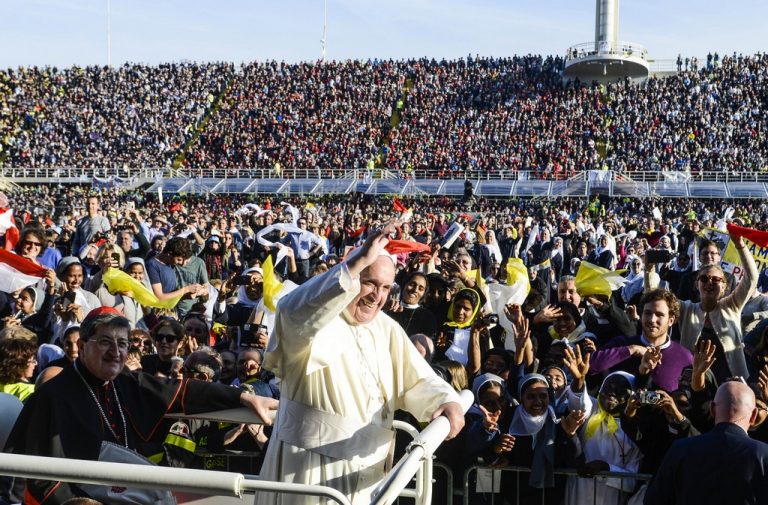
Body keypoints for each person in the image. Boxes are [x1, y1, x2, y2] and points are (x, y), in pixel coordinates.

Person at [256, 221, 463, 505]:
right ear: (350, 275)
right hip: (308, 474)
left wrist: (447, 400)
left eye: (386, 288)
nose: (377, 296)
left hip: (369, 478)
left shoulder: (386, 327)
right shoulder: (314, 322)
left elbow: (416, 380)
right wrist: (357, 262)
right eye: (369, 283)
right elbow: (290, 311)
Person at [5, 307, 278, 504]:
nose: (116, 351)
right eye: (105, 342)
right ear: (84, 345)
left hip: (119, 490)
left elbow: (183, 391)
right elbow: (37, 475)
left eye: (122, 343)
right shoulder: (53, 394)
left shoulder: (123, 379)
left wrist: (242, 398)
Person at [644, 381, 768, 504]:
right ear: (753, 416)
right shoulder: (763, 454)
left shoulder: (680, 449)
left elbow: (654, 500)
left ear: (712, 410)